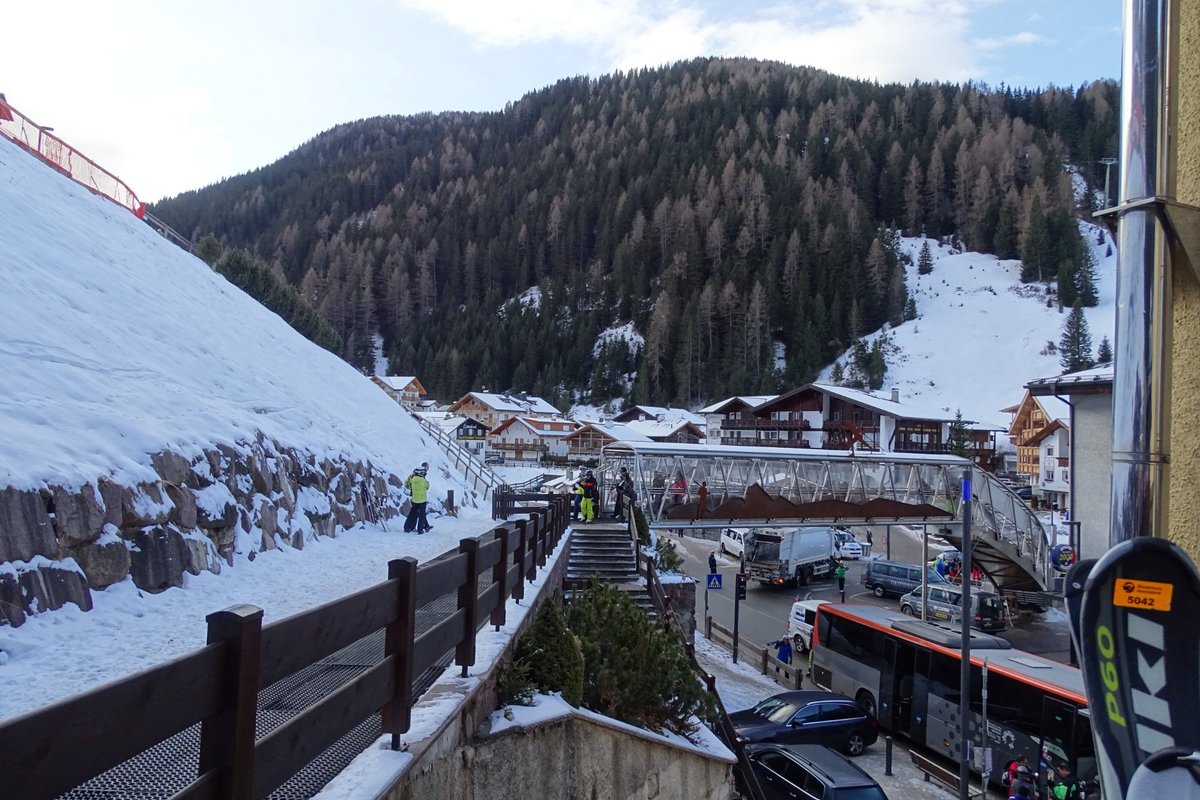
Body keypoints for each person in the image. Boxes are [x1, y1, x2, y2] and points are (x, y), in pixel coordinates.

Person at [403, 463, 432, 533]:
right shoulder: (423, 480)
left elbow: (407, 484)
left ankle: (407, 527)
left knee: (412, 513)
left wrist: (412, 488)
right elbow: (427, 487)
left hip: (414, 499)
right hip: (422, 499)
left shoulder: (412, 478)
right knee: (422, 515)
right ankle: (420, 529)